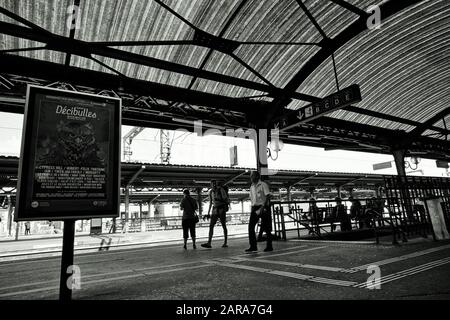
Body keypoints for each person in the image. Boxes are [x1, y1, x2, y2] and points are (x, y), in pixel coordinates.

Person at [246, 171, 273, 253]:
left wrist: (263, 207)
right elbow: (252, 199)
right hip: (255, 208)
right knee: (251, 227)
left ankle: (269, 246)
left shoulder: (263, 185)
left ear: (257, 177)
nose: (251, 178)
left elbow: (268, 196)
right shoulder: (251, 187)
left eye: (252, 176)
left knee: (267, 228)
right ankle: (253, 246)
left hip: (264, 207)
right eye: (250, 176)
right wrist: (252, 209)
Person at [201, 180, 230, 249]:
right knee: (211, 225)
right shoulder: (211, 192)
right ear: (210, 185)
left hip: (221, 208)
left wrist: (219, 200)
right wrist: (208, 213)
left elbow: (226, 199)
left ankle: (225, 242)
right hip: (215, 209)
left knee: (223, 225)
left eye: (214, 184)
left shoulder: (221, 190)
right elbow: (211, 203)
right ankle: (209, 242)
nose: (214, 185)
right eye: (212, 184)